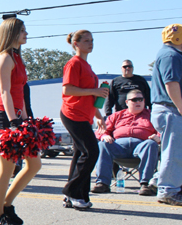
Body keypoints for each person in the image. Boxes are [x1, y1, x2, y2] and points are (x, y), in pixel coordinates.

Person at [0, 18, 40, 225]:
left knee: (34, 164)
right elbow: (5, 92)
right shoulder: (4, 58)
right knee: (7, 168)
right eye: (22, 31)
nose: (26, 34)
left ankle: (7, 205)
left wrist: (27, 122)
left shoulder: (18, 58)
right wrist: (14, 122)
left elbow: (21, 95)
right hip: (3, 118)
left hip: (18, 117)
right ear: (12, 34)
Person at [60, 30, 107, 210]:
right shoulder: (73, 63)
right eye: (86, 40)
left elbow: (89, 96)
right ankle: (71, 191)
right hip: (73, 114)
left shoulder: (88, 66)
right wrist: (94, 91)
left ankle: (77, 197)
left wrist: (98, 115)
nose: (91, 43)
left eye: (92, 40)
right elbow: (68, 90)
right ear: (76, 44)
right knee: (91, 152)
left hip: (85, 116)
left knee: (80, 154)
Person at [92, 89, 159, 195]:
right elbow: (100, 131)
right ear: (127, 102)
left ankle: (146, 184)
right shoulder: (117, 115)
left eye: (140, 99)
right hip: (119, 146)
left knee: (151, 144)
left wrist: (158, 137)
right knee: (102, 144)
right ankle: (102, 184)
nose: (138, 102)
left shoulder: (152, 115)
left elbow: (162, 130)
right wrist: (104, 136)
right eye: (134, 100)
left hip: (141, 145)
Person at [150, 24, 182, 206]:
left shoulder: (168, 54)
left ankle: (157, 181)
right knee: (174, 151)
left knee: (172, 150)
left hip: (167, 109)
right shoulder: (171, 55)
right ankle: (168, 191)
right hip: (170, 109)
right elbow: (171, 83)